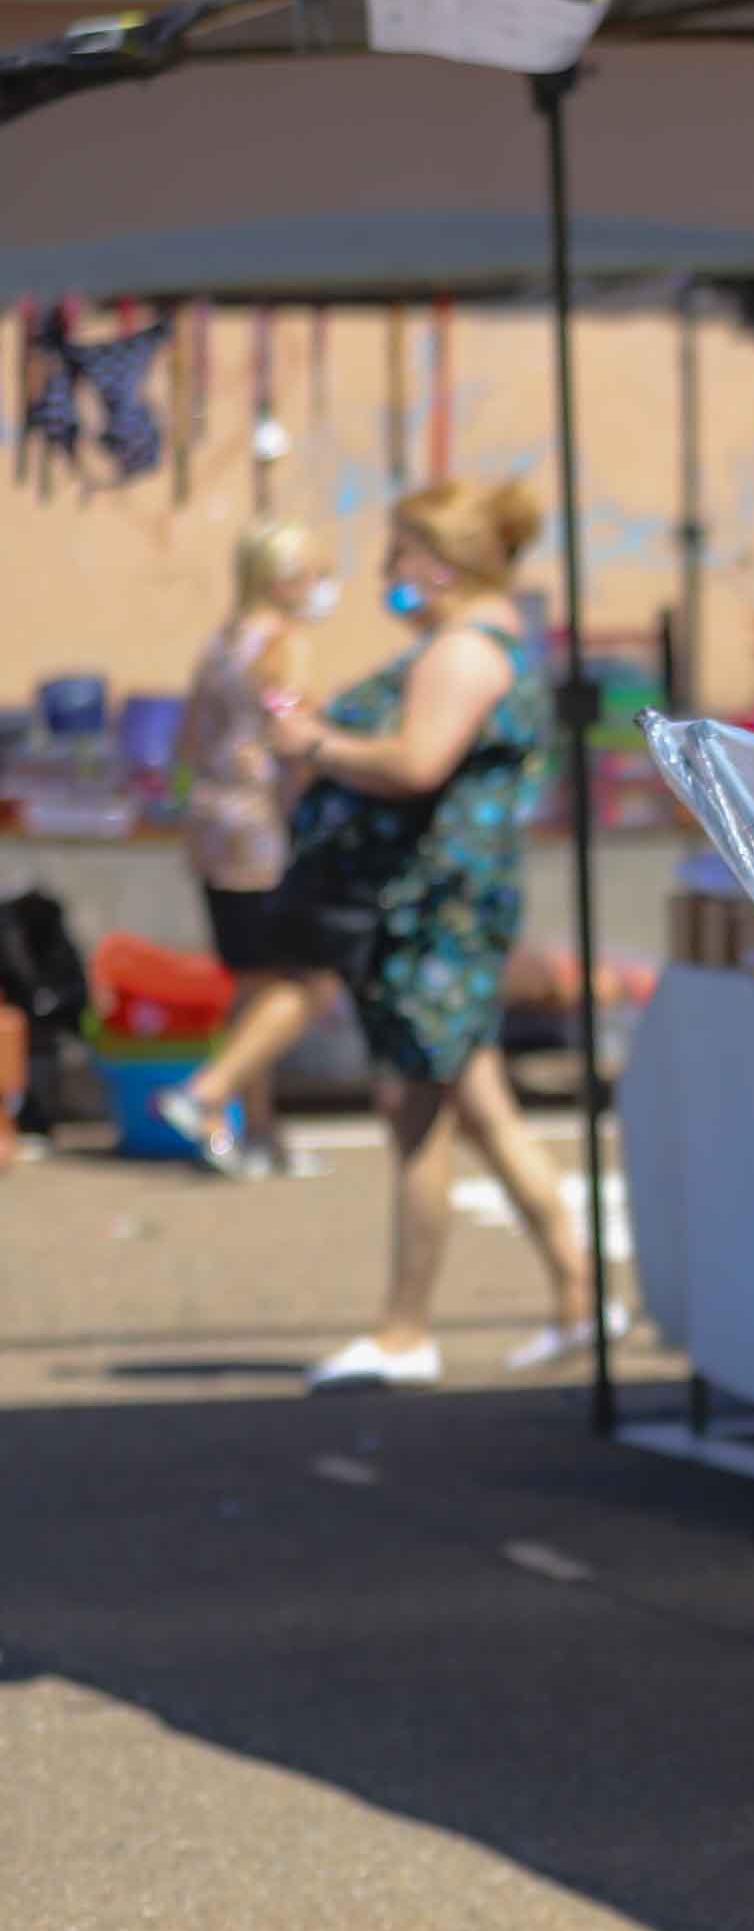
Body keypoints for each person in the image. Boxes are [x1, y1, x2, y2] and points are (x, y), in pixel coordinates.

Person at [247, 482, 606, 1391]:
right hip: (450, 910)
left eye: (397, 554)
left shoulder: (460, 651)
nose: (384, 573)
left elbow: (416, 763)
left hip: (432, 916)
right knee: (482, 1107)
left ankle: (405, 1331)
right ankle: (581, 1290)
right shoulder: (489, 643)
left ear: (436, 563)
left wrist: (317, 746)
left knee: (416, 1121)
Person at [156, 519, 341, 1179]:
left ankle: (258, 1133)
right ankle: (206, 1091)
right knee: (313, 982)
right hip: (263, 829)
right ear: (282, 579)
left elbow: (185, 740)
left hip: (212, 826)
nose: (323, 588)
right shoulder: (280, 644)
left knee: (257, 983)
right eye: (316, 574)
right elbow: (292, 736)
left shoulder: (221, 642)